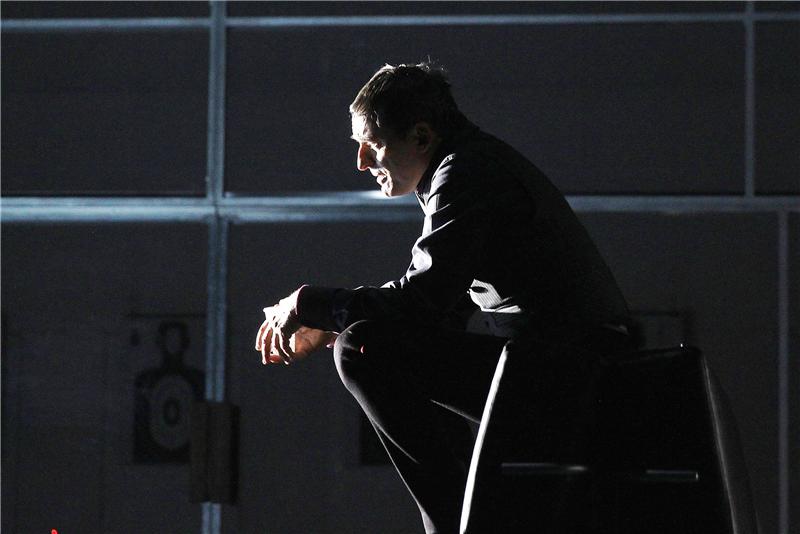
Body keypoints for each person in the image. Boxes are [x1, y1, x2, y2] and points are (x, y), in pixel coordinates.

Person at [255, 62, 630, 534]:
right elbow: (434, 313)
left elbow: (420, 302)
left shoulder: (466, 173)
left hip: (568, 375)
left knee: (361, 349)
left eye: (372, 144)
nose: (362, 163)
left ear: (421, 135)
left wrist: (308, 304)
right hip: (567, 368)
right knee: (369, 341)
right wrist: (338, 318)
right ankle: (463, 519)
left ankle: (454, 524)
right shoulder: (469, 166)